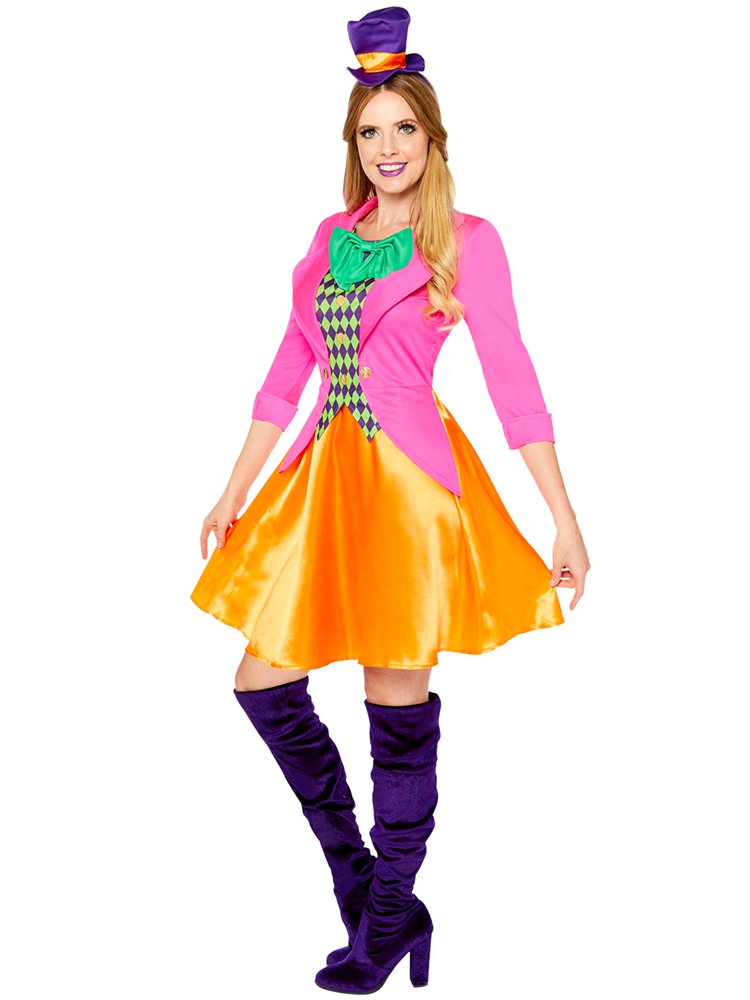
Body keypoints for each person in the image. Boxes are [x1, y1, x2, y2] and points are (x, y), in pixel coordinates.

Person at [190, 6, 590, 993]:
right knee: (260, 682)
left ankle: (386, 912)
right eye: (370, 131)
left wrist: (563, 516)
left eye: (403, 126)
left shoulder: (467, 240)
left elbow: (513, 381)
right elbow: (287, 373)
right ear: (353, 144)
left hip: (407, 495)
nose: (387, 147)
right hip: (321, 485)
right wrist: (234, 486)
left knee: (390, 706)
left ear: (432, 135)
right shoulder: (330, 237)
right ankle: (370, 892)